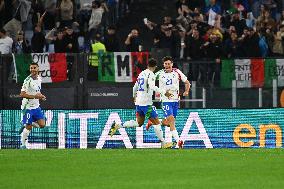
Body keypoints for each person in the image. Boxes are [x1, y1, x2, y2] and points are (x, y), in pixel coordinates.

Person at [109, 58, 173, 149]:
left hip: (139, 103)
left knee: (139, 123)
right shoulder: (151, 74)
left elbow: (135, 87)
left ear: (147, 65)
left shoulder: (141, 73)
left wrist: (134, 96)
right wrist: (164, 92)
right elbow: (152, 86)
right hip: (146, 104)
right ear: (155, 67)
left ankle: (118, 125)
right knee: (157, 123)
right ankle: (164, 143)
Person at [147, 56, 191, 149]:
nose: (167, 65)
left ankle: (153, 122)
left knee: (169, 122)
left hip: (176, 100)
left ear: (172, 64)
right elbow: (150, 82)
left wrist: (186, 91)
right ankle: (178, 142)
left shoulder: (177, 72)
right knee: (171, 120)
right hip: (166, 101)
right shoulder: (159, 73)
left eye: (168, 64)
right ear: (163, 65)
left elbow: (187, 83)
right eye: (165, 64)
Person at [19, 62, 47, 149]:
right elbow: (22, 94)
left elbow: (37, 91)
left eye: (34, 68)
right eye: (31, 68)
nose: (33, 70)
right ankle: (23, 145)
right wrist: (35, 96)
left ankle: (25, 124)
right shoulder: (27, 81)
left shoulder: (39, 78)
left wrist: (41, 96)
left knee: (42, 125)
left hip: (36, 106)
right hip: (27, 108)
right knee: (28, 128)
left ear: (38, 69)